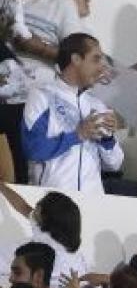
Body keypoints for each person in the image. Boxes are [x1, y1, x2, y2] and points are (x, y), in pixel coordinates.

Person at [0, 0, 85, 184]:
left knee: (18, 174)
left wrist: (36, 47)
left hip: (30, 99)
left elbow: (79, 57)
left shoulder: (61, 3)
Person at [22, 32, 123, 193]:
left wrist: (108, 138)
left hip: (95, 201)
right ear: (76, 59)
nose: (101, 67)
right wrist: (78, 135)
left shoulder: (97, 105)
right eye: (96, 59)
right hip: (52, 201)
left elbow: (115, 164)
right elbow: (33, 150)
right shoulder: (41, 95)